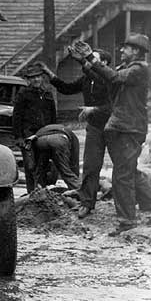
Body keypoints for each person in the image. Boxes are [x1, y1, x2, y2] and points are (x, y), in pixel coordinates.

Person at [71, 35, 151, 234]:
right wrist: (84, 61)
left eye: (125, 48)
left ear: (136, 51)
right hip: (123, 127)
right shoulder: (125, 69)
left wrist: (91, 59)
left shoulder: (139, 69)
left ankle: (127, 221)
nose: (120, 51)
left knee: (122, 175)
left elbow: (113, 77)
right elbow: (104, 78)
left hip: (130, 128)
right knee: (128, 171)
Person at [39, 50, 113, 218]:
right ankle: (87, 203)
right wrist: (50, 74)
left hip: (113, 127)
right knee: (90, 166)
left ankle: (143, 201)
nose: (86, 63)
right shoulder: (88, 79)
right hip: (95, 128)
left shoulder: (111, 80)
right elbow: (67, 88)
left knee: (124, 167)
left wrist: (93, 109)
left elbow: (114, 107)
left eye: (91, 59)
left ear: (105, 64)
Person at [12, 62, 57, 193]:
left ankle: (41, 193)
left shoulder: (48, 94)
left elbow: (53, 115)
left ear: (42, 77)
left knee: (43, 164)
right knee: (30, 166)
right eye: (33, 78)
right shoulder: (23, 94)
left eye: (38, 76)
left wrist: (53, 131)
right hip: (28, 135)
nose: (36, 79)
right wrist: (19, 137)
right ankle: (31, 194)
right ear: (28, 80)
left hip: (44, 134)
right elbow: (17, 116)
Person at [28, 123, 80, 190]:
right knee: (66, 171)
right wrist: (75, 178)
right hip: (59, 140)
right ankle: (79, 191)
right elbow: (74, 164)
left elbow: (35, 163)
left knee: (40, 171)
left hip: (40, 140)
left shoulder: (45, 128)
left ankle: (38, 191)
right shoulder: (73, 138)